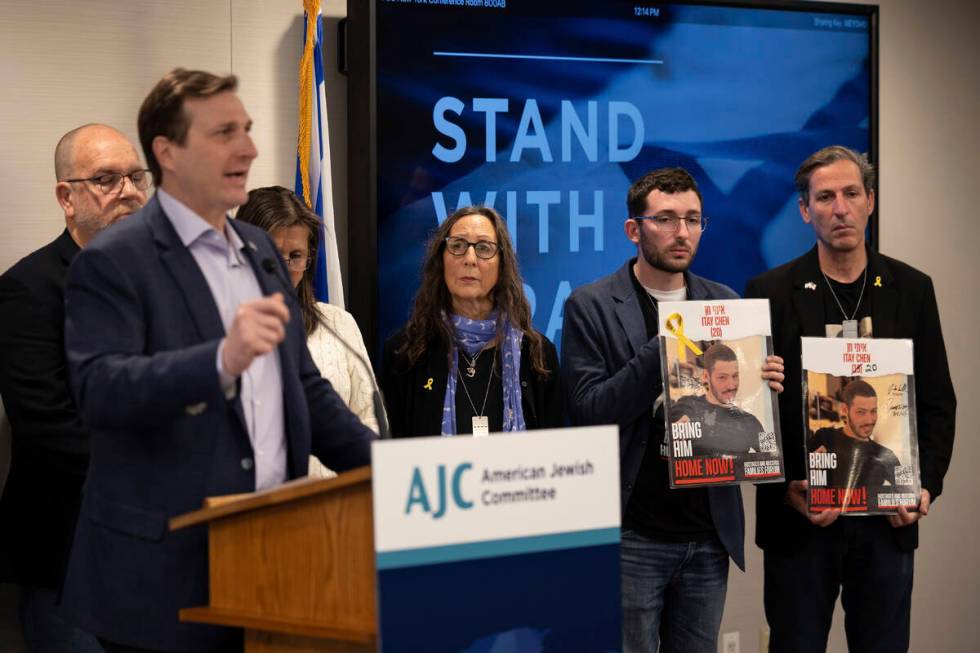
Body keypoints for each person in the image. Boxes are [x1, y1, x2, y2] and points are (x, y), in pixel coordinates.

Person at [60, 69, 375, 653]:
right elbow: (101, 388)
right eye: (224, 132)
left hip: (275, 563)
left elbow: (304, 391)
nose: (249, 149)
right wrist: (220, 360)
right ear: (168, 152)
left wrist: (398, 473)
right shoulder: (113, 260)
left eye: (247, 131)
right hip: (162, 580)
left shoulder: (259, 252)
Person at [561, 167, 784, 653]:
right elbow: (590, 412)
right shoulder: (591, 305)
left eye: (693, 219)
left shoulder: (725, 302)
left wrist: (763, 385)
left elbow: (747, 424)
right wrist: (661, 349)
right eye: (665, 219)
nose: (682, 232)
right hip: (632, 534)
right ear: (633, 230)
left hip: (708, 534)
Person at [745, 145, 956, 653]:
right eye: (824, 197)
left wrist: (924, 487)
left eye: (850, 194)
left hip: (887, 522)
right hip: (800, 523)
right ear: (804, 210)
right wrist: (782, 487)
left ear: (870, 201)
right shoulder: (768, 292)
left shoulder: (912, 289)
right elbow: (751, 412)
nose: (839, 208)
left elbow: (936, 402)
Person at [0, 123, 148, 652]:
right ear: (67, 197)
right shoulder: (29, 289)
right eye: (108, 179)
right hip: (70, 555)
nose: (130, 191)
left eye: (136, 177)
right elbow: (45, 422)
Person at [236, 186, 382, 476]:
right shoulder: (225, 328)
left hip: (338, 505)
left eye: (296, 255)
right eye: (274, 256)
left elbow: (370, 417)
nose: (285, 269)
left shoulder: (338, 324)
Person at [381, 205, 564, 437]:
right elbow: (394, 456)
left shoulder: (537, 355)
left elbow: (555, 455)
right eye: (457, 246)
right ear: (441, 260)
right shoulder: (404, 353)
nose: (469, 259)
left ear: (502, 264)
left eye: (484, 248)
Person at [670, 342, 770, 458]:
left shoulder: (751, 421)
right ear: (706, 376)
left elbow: (773, 456)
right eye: (722, 377)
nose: (731, 385)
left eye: (735, 376)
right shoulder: (686, 405)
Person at [809, 379, 900, 488]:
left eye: (873, 411)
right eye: (861, 412)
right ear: (844, 410)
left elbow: (909, 489)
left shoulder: (887, 455)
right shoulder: (823, 437)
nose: (869, 420)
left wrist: (921, 493)